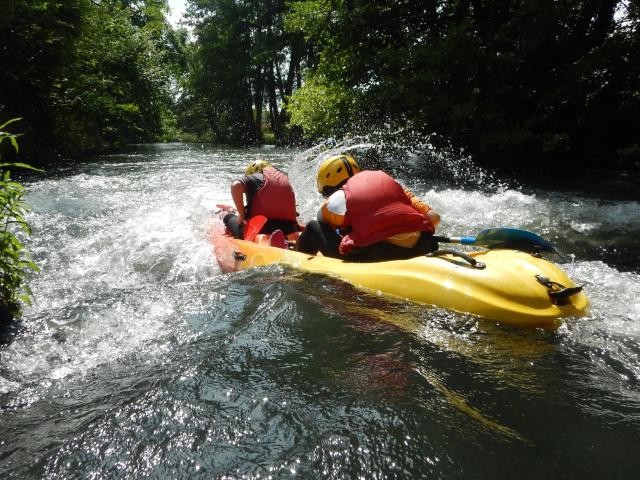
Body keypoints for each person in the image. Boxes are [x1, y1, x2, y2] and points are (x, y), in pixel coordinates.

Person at [296, 154, 440, 260]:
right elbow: (434, 218)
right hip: (424, 245)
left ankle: (294, 257)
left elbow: (323, 222)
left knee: (313, 227)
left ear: (328, 189)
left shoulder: (338, 198)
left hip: (381, 253)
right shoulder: (390, 183)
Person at [223, 160, 300, 239]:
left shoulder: (252, 178)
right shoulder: (283, 178)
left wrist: (241, 216)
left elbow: (236, 185)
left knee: (228, 217)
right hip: (291, 228)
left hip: (262, 228)